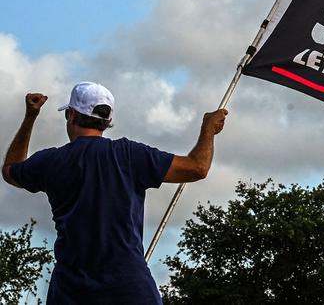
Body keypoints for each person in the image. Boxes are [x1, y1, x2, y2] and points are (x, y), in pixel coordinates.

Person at [1, 81, 228, 305]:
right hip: (130, 288)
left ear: (70, 115)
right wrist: (208, 130)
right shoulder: (129, 154)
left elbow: (10, 171)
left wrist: (30, 117)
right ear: (108, 121)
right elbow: (198, 167)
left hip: (71, 292)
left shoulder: (51, 161)